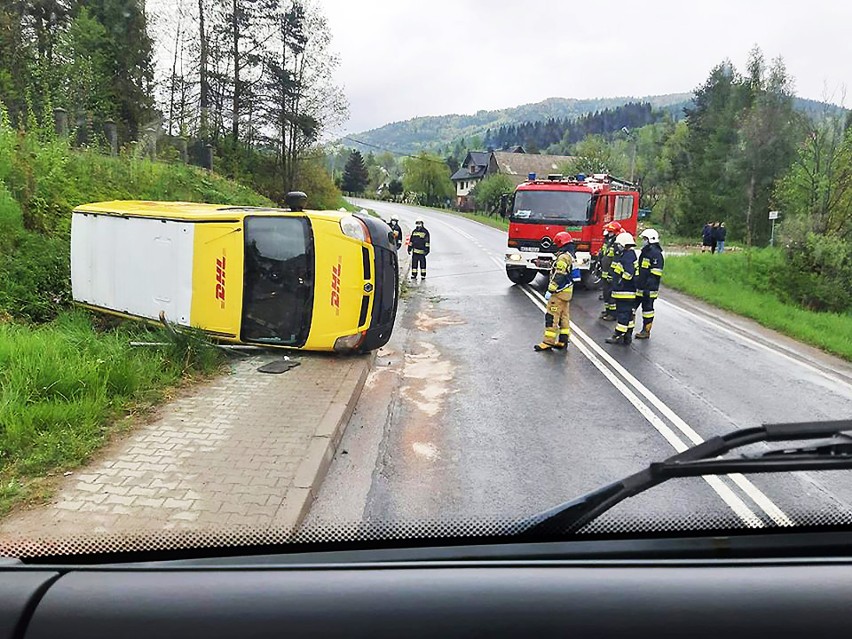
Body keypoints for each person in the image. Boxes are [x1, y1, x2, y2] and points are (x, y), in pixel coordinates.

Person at [534, 232, 577, 352]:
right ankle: (563, 340)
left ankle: (548, 342)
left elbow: (559, 273)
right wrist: (541, 264)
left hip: (558, 293)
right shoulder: (570, 255)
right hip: (566, 293)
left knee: (551, 317)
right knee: (564, 317)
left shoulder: (563, 257)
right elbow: (557, 267)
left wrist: (551, 289)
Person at [605, 232, 639, 346]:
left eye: (618, 244)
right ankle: (627, 335)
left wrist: (620, 283)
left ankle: (618, 335)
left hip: (625, 292)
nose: (617, 246)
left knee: (623, 314)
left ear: (623, 244)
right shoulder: (628, 254)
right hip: (627, 292)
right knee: (628, 315)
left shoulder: (627, 256)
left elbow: (628, 273)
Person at [633, 228, 665, 339]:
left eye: (645, 239)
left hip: (649, 289)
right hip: (640, 287)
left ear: (650, 239)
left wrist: (648, 288)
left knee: (647, 310)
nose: (643, 241)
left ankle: (646, 331)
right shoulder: (645, 251)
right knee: (631, 307)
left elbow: (656, 273)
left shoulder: (656, 254)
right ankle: (626, 330)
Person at [598, 221, 623, 321]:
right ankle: (608, 310)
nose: (607, 232)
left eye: (609, 231)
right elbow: (604, 255)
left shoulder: (617, 244)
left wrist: (612, 274)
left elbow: (616, 260)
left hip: (611, 273)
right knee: (606, 293)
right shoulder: (608, 241)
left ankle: (612, 314)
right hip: (605, 272)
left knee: (611, 294)